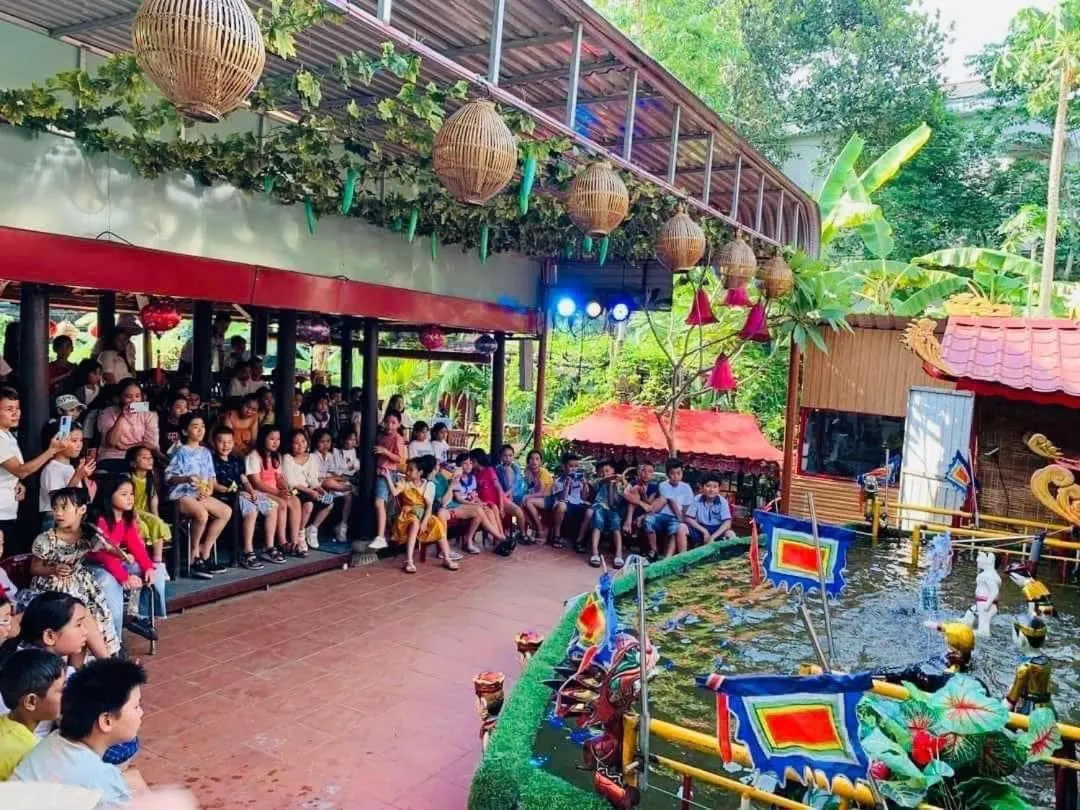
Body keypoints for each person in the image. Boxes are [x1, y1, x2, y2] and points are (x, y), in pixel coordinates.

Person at [12, 657, 147, 803]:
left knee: (133, 778)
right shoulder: (102, 781)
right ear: (106, 721)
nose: (141, 712)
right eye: (136, 707)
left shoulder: (53, 741)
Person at [28, 489, 121, 657]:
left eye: (64, 508)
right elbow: (34, 568)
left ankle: (91, 666)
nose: (58, 513)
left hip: (81, 585)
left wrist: (106, 542)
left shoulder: (88, 535)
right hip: (52, 588)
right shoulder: (45, 539)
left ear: (81, 510)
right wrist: (53, 569)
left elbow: (119, 555)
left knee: (90, 623)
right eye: (55, 508)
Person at [0, 388, 75, 548]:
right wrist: (52, 451)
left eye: (17, 408)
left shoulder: (8, 436)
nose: (16, 413)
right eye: (9, 409)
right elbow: (21, 470)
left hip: (8, 511)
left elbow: (15, 472)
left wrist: (17, 482)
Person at [88, 477, 157, 643]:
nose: (130, 498)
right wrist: (123, 577)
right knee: (115, 581)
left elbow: (136, 545)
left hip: (114, 561)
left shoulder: (126, 519)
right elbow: (103, 554)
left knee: (141, 569)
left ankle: (134, 615)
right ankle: (115, 641)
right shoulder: (101, 520)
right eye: (124, 494)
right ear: (109, 495)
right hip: (95, 564)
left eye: (131, 494)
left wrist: (148, 567)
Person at [164, 414, 231, 580]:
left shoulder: (206, 452)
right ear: (185, 431)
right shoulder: (179, 452)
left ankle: (205, 551)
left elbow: (210, 476)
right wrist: (186, 478)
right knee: (201, 514)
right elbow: (169, 477)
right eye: (195, 426)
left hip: (199, 494)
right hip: (181, 494)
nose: (200, 429)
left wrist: (208, 490)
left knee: (225, 511)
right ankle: (194, 556)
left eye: (202, 426)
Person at [211, 426, 282, 568]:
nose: (226, 445)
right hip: (225, 497)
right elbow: (215, 485)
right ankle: (247, 552)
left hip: (243, 493)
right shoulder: (212, 461)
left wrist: (251, 491)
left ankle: (268, 547)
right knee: (251, 511)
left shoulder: (236, 460)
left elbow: (244, 480)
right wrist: (237, 493)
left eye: (229, 442)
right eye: (221, 442)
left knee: (272, 507)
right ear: (214, 442)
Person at [0, 648, 65, 779]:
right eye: (61, 690)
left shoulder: (5, 724)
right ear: (31, 701)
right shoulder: (32, 752)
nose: (67, 695)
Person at [385, 456, 455, 574]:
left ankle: (446, 558)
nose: (407, 471)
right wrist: (387, 477)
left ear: (420, 473)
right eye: (407, 469)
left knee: (438, 524)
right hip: (407, 515)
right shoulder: (405, 483)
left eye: (411, 469)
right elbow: (394, 492)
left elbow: (428, 507)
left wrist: (424, 521)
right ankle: (409, 560)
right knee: (414, 524)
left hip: (423, 514)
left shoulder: (428, 485)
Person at [245, 426, 303, 556]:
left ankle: (294, 542)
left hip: (275, 491)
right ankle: (282, 542)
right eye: (272, 439)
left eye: (278, 439)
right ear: (263, 439)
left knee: (295, 500)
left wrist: (285, 488)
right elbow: (256, 482)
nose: (275, 442)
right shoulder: (253, 456)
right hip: (261, 492)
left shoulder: (277, 456)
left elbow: (278, 477)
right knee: (282, 503)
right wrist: (278, 493)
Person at [433, 460, 499, 555]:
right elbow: (448, 501)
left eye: (470, 463)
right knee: (482, 510)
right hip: (448, 508)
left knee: (485, 510)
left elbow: (450, 498)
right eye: (436, 466)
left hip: (455, 506)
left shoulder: (442, 478)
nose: (439, 468)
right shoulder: (432, 481)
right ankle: (500, 538)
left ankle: (469, 541)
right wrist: (453, 483)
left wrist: (477, 502)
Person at [38, 422, 95, 531]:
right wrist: (77, 477)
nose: (79, 445)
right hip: (56, 521)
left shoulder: (71, 467)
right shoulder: (52, 468)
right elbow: (58, 500)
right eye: (74, 441)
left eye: (81, 440)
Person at [96, 380, 159, 476]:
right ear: (119, 398)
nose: (133, 401)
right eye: (128, 397)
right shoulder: (108, 412)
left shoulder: (149, 415)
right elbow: (111, 442)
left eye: (137, 396)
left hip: (138, 458)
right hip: (110, 456)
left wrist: (126, 447)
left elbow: (151, 444)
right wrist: (122, 416)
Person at [282, 431, 331, 553]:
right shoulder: (287, 458)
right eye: (296, 442)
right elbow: (291, 482)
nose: (300, 445)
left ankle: (313, 528)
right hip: (294, 491)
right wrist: (310, 491)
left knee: (329, 502)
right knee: (308, 505)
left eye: (303, 441)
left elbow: (313, 479)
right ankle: (300, 533)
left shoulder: (312, 457)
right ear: (291, 444)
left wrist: (320, 489)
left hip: (308, 489)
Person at [125, 446, 170, 565]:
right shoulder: (128, 478)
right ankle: (143, 562)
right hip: (130, 512)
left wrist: (156, 516)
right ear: (133, 463)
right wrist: (135, 516)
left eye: (150, 458)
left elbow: (153, 500)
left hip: (144, 512)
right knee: (142, 527)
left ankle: (158, 562)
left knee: (157, 523)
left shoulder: (151, 478)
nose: (149, 460)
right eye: (144, 458)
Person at [368, 410, 406, 551]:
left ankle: (380, 537)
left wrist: (385, 452)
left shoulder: (398, 438)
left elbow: (399, 459)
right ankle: (382, 533)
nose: (389, 425)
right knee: (380, 504)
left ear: (398, 424)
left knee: (379, 502)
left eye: (393, 423)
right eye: (387, 422)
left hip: (387, 472)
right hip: (378, 470)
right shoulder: (381, 436)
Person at [644, 459, 693, 560]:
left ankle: (668, 557)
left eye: (678, 473)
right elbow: (671, 502)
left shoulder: (686, 487)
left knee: (676, 528)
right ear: (667, 474)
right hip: (663, 515)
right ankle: (654, 550)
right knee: (649, 521)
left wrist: (683, 519)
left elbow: (687, 507)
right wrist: (680, 518)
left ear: (682, 473)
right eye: (672, 473)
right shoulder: (663, 485)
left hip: (677, 517)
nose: (675, 476)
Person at [472, 449, 526, 540]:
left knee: (518, 512)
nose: (508, 458)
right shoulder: (475, 472)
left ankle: (522, 534)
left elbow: (500, 489)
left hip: (500, 498)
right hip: (487, 502)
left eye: (510, 455)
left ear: (476, 461)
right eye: (505, 455)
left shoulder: (490, 470)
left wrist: (501, 507)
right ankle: (501, 537)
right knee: (495, 517)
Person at [310, 429, 352, 542]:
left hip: (332, 484)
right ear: (316, 442)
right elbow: (319, 478)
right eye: (322, 441)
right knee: (328, 482)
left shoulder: (330, 455)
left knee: (348, 497)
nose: (325, 444)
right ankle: (352, 488)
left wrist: (335, 477)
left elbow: (334, 473)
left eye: (328, 441)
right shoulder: (313, 456)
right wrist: (333, 477)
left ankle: (342, 525)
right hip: (319, 485)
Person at [550, 454, 592, 551]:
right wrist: (567, 485)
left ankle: (579, 541)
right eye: (571, 466)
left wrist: (585, 485)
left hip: (578, 503)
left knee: (590, 512)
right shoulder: (559, 480)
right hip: (565, 502)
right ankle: (556, 536)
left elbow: (584, 497)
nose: (574, 469)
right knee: (562, 506)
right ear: (564, 467)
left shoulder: (579, 479)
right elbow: (562, 498)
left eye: (576, 466)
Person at [589, 460, 624, 568]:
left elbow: (616, 501)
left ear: (613, 470)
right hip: (599, 507)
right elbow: (603, 480)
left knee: (616, 523)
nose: (604, 473)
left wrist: (615, 484)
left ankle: (619, 554)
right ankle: (594, 552)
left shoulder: (620, 484)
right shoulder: (598, 481)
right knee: (598, 520)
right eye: (601, 472)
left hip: (613, 509)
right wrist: (611, 478)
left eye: (607, 471)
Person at [684, 474, 734, 546]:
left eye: (715, 487)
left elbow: (727, 523)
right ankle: (684, 554)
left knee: (731, 534)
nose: (711, 490)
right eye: (708, 486)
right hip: (700, 528)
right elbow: (688, 518)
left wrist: (712, 537)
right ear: (702, 487)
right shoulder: (697, 499)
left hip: (717, 530)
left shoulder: (723, 501)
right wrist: (704, 531)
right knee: (681, 528)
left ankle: (726, 556)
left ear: (719, 489)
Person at [96, 316, 142, 386]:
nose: (123, 343)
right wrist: (119, 390)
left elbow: (132, 367)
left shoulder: (130, 346)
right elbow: (108, 376)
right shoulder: (108, 354)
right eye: (119, 340)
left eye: (125, 339)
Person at [521, 451, 554, 542]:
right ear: (528, 460)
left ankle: (540, 529)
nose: (534, 461)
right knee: (520, 504)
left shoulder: (542, 472)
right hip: (538, 499)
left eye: (537, 459)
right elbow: (527, 487)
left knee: (528, 501)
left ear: (540, 462)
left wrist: (527, 496)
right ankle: (533, 527)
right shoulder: (529, 471)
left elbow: (542, 493)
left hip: (548, 498)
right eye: (531, 458)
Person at [621, 461, 660, 538]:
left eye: (650, 472)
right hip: (631, 509)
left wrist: (643, 494)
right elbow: (625, 494)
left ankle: (629, 524)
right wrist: (641, 503)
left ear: (652, 475)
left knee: (637, 489)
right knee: (636, 488)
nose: (646, 474)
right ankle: (628, 522)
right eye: (643, 470)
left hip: (644, 511)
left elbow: (649, 504)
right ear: (639, 472)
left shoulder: (654, 486)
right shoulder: (633, 482)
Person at [157, 393, 188, 458]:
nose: (183, 410)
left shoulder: (189, 424)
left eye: (185, 407)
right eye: (178, 407)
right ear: (169, 408)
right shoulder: (160, 424)